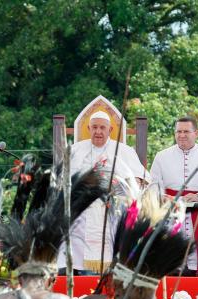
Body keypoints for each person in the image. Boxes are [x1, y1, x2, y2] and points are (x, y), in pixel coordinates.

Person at [58, 110, 150, 275]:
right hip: (82, 214)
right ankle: (81, 281)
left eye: (102, 128)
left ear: (110, 130)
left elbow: (142, 180)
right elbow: (62, 181)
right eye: (94, 127)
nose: (98, 131)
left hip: (113, 213)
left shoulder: (124, 151)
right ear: (89, 128)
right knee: (75, 243)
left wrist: (131, 182)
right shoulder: (75, 150)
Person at [149, 115, 198, 276]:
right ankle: (172, 266)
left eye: (186, 131)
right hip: (170, 203)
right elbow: (154, 184)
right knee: (163, 217)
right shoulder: (161, 156)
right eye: (178, 131)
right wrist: (165, 198)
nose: (181, 135)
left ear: (196, 133)